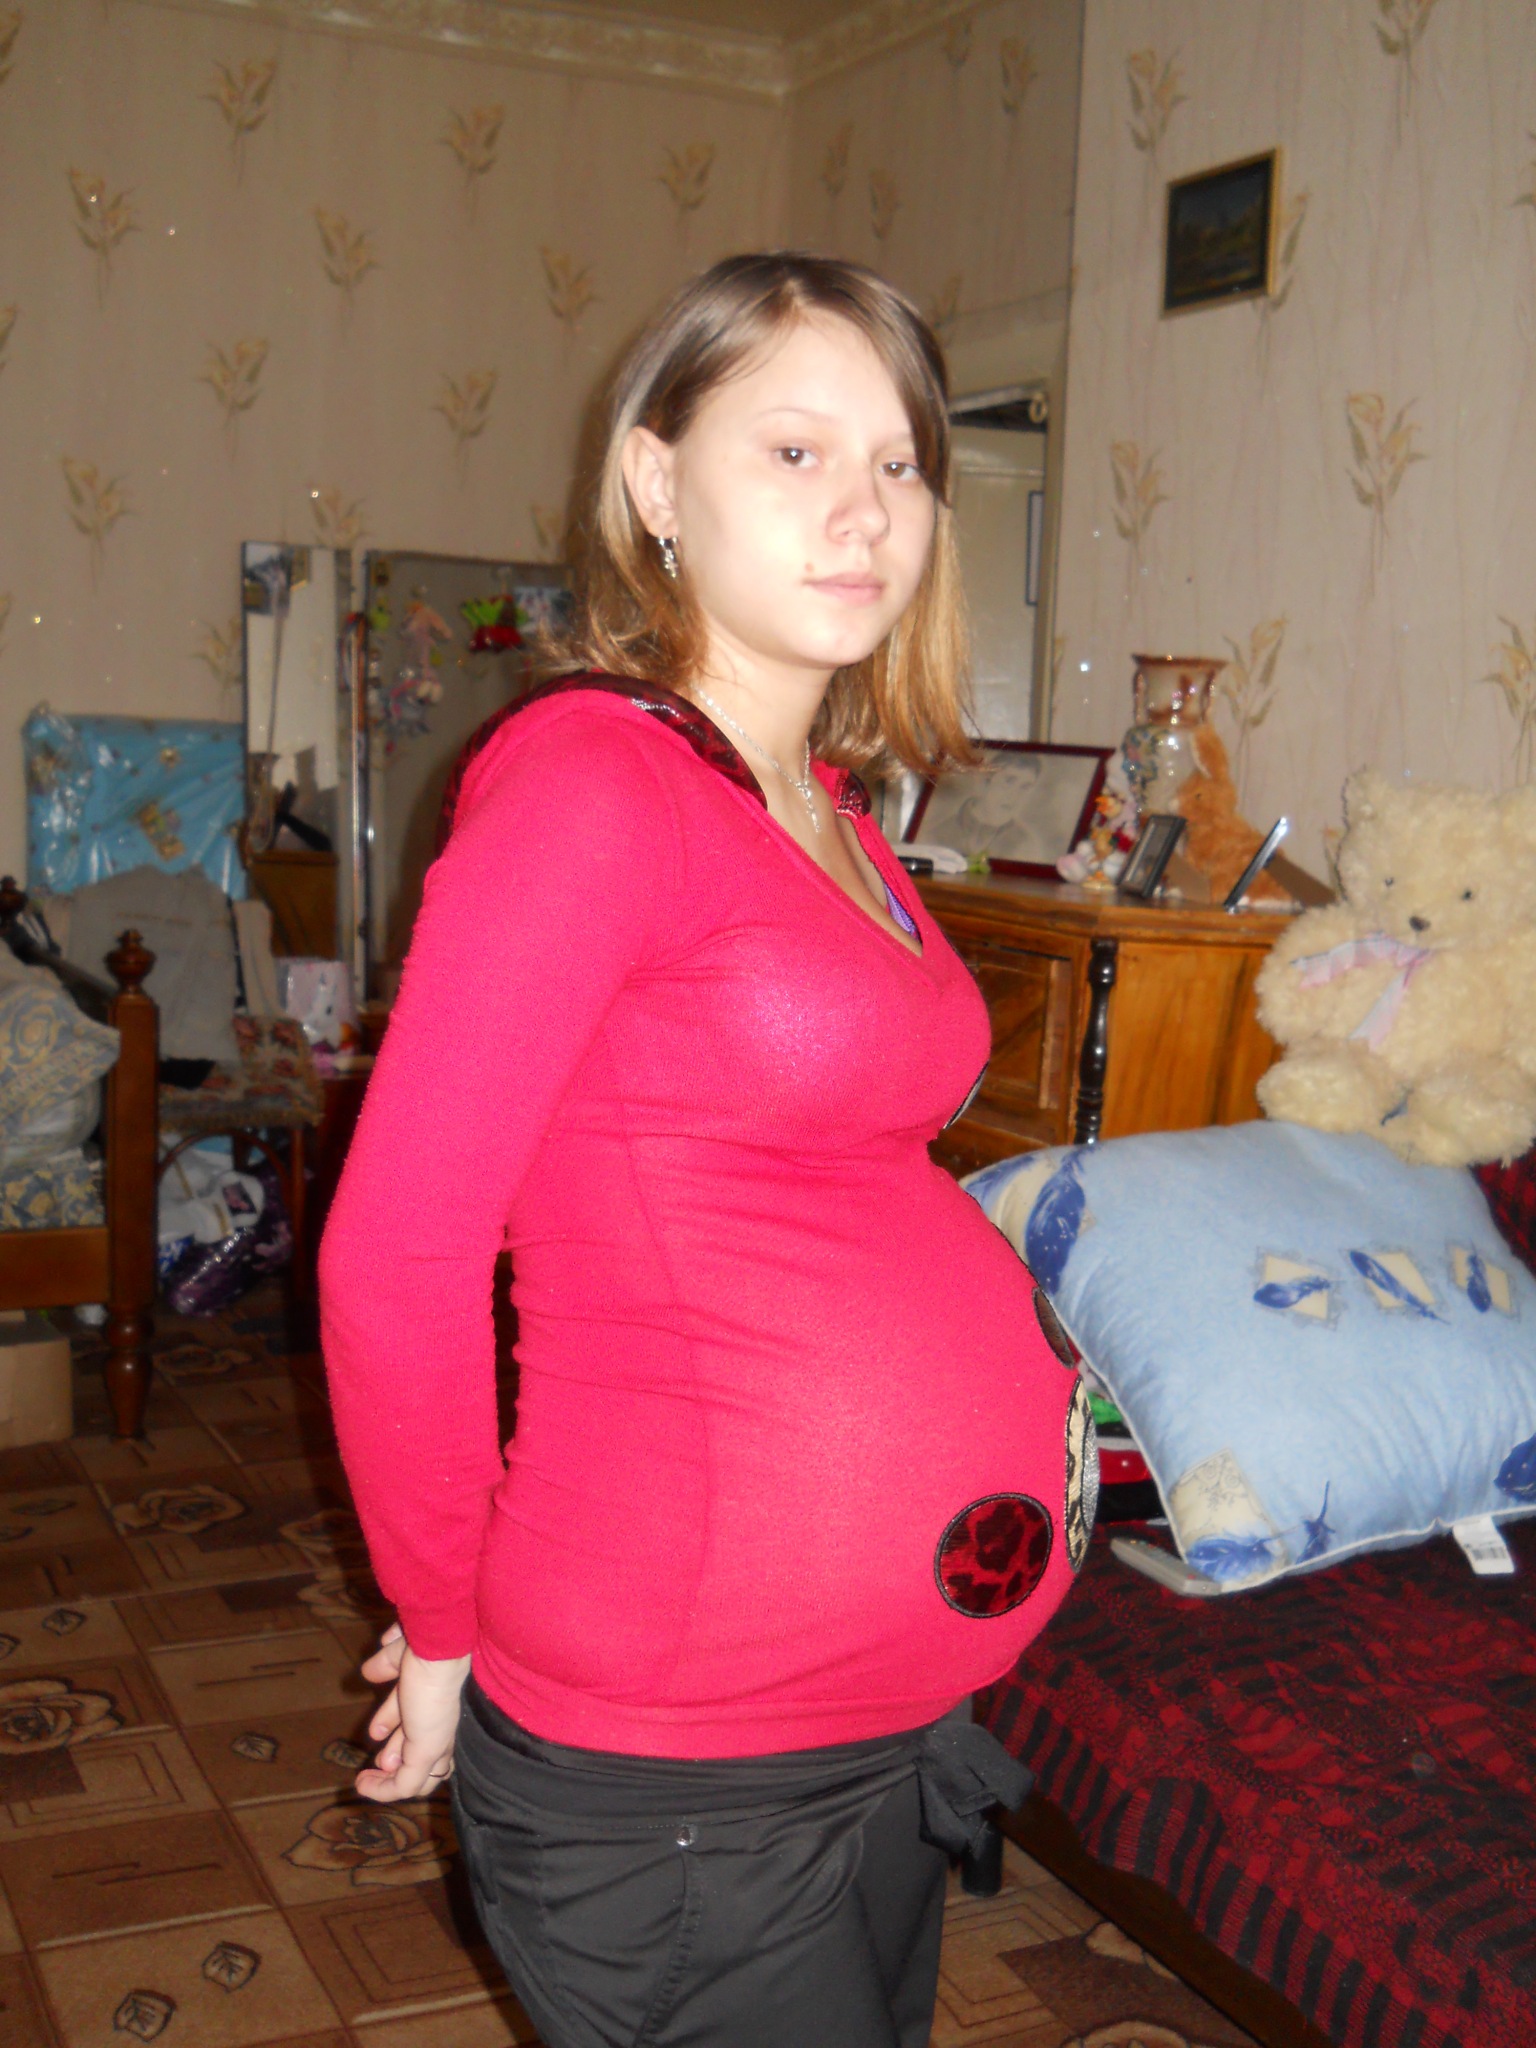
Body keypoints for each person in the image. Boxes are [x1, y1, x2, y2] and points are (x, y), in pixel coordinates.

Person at [319, 251, 1095, 2048]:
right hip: (687, 1768)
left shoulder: (828, 808)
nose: (865, 512)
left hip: (865, 1733)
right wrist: (440, 1617)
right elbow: (397, 1256)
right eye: (796, 452)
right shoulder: (595, 785)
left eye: (900, 464)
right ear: (657, 482)